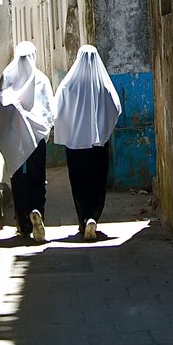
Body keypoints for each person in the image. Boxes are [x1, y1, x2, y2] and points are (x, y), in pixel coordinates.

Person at [53, 45, 121, 242]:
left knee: (79, 181)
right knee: (97, 180)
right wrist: (103, 128)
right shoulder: (103, 85)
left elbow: (57, 111)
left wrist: (69, 131)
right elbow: (116, 107)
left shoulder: (68, 85)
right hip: (98, 145)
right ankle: (93, 216)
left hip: (75, 145)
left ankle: (83, 218)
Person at [0, 41, 54, 242]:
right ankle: (38, 212)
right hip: (36, 143)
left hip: (14, 143)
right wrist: (42, 129)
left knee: (19, 181)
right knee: (38, 179)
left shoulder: (7, 77)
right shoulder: (41, 79)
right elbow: (49, 110)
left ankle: (24, 224)